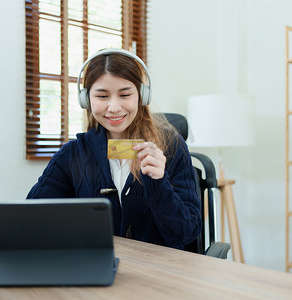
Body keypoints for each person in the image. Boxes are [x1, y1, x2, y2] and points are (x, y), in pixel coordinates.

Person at [27, 48, 201, 250]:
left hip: (158, 272)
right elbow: (30, 220)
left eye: (125, 94)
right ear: (86, 100)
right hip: (96, 268)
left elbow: (186, 234)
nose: (114, 107)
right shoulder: (73, 154)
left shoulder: (171, 146)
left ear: (142, 96)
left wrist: (158, 183)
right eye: (102, 96)